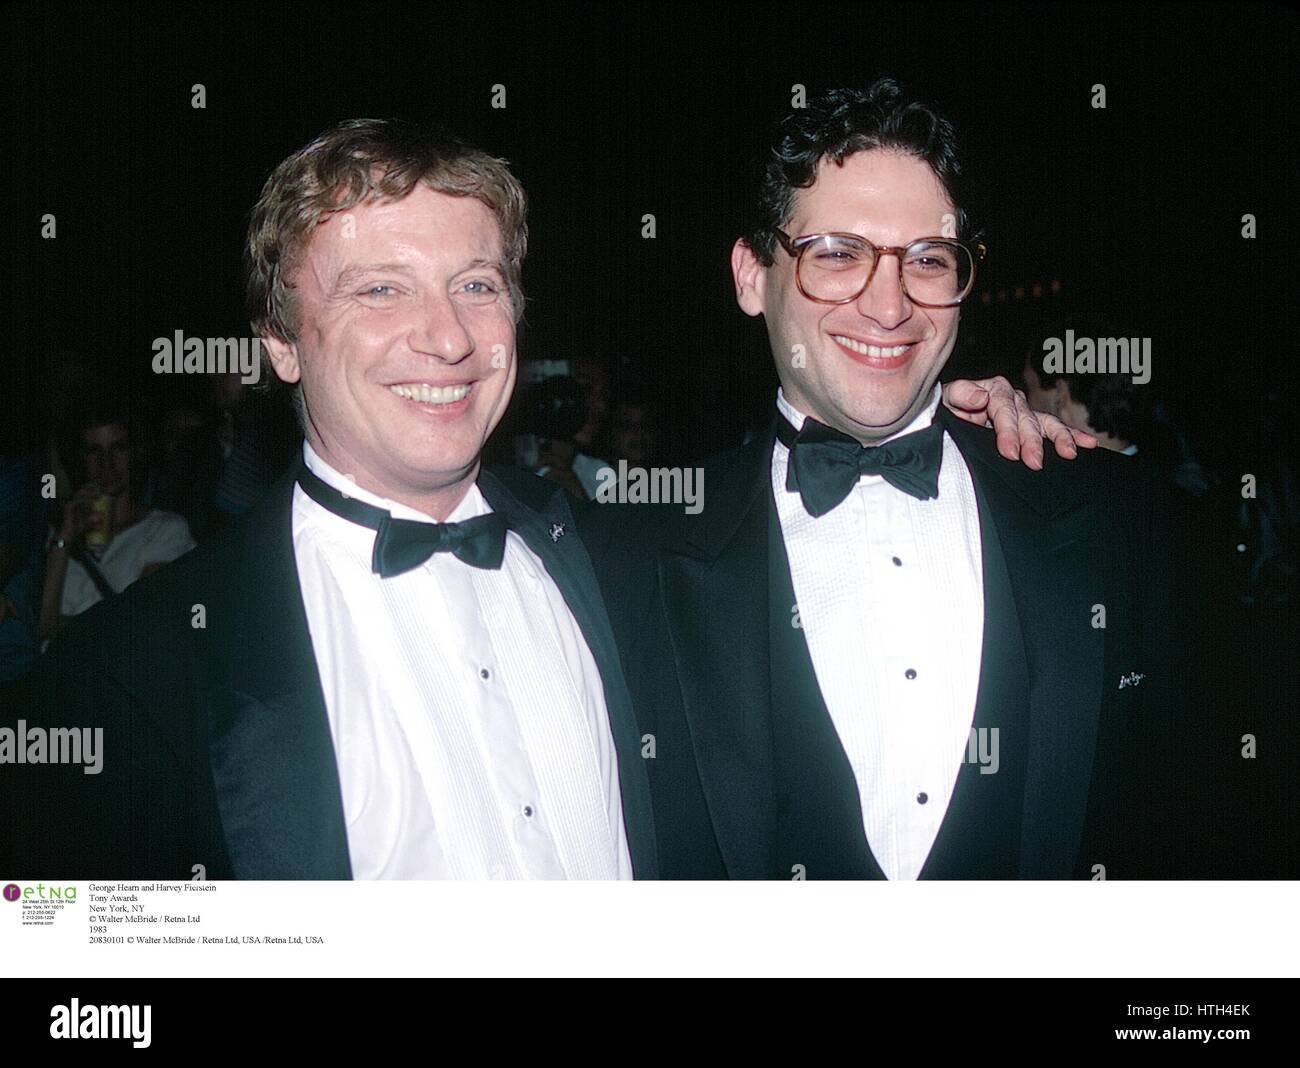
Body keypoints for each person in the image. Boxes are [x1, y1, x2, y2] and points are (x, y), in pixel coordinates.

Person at [5, 116, 1078, 882]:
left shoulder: (624, 559)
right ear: (281, 341)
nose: (446, 336)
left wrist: (958, 414)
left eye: (476, 285)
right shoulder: (134, 675)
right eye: (380, 288)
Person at [589, 79, 1213, 880]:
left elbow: (1186, 837)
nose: (889, 306)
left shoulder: (1112, 512)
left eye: (927, 260)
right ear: (751, 276)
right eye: (837, 254)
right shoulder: (623, 557)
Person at [38, 404, 195, 643]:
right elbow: (41, 626)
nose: (106, 463)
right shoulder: (56, 538)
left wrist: (65, 627)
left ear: (135, 453)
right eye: (94, 451)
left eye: (118, 448)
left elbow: (137, 623)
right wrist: (64, 538)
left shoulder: (164, 530)